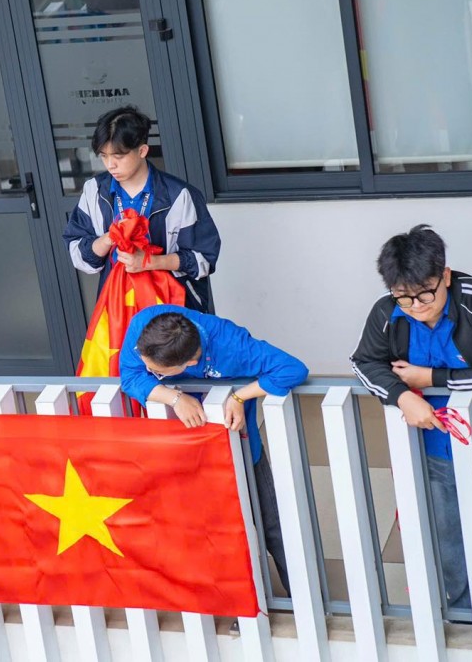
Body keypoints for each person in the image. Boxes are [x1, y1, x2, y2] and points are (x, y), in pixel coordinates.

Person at [350, 225, 472, 613]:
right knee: (446, 537)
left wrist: (431, 379)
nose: (416, 306)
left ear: (445, 276)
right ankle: (462, 614)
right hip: (433, 449)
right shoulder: (387, 311)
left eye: (425, 294)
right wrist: (402, 396)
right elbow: (363, 362)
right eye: (404, 297)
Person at [119, 304, 310, 594]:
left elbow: (293, 369)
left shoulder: (232, 344)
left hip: (234, 445)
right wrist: (174, 398)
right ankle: (227, 599)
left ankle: (302, 598)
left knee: (270, 522)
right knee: (203, 528)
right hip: (178, 451)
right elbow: (131, 377)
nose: (147, 370)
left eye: (156, 371)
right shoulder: (144, 327)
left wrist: (239, 396)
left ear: (189, 363)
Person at [63, 106, 221, 312]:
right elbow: (78, 252)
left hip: (172, 308)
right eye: (104, 156)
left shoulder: (180, 195)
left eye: (118, 156)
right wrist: (109, 238)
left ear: (142, 151)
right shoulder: (95, 191)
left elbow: (204, 259)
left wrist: (149, 262)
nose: (110, 165)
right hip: (118, 305)